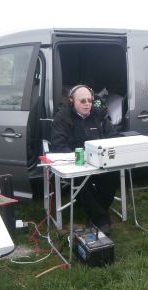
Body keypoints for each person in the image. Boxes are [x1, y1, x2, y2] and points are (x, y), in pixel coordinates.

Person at [51, 84, 120, 234]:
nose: (87, 104)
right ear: (72, 101)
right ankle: (101, 219)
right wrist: (80, 159)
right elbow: (58, 145)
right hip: (77, 163)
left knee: (114, 174)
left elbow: (113, 136)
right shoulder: (62, 117)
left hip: (100, 162)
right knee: (82, 179)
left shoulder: (98, 115)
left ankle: (95, 214)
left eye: (89, 100)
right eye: (82, 101)